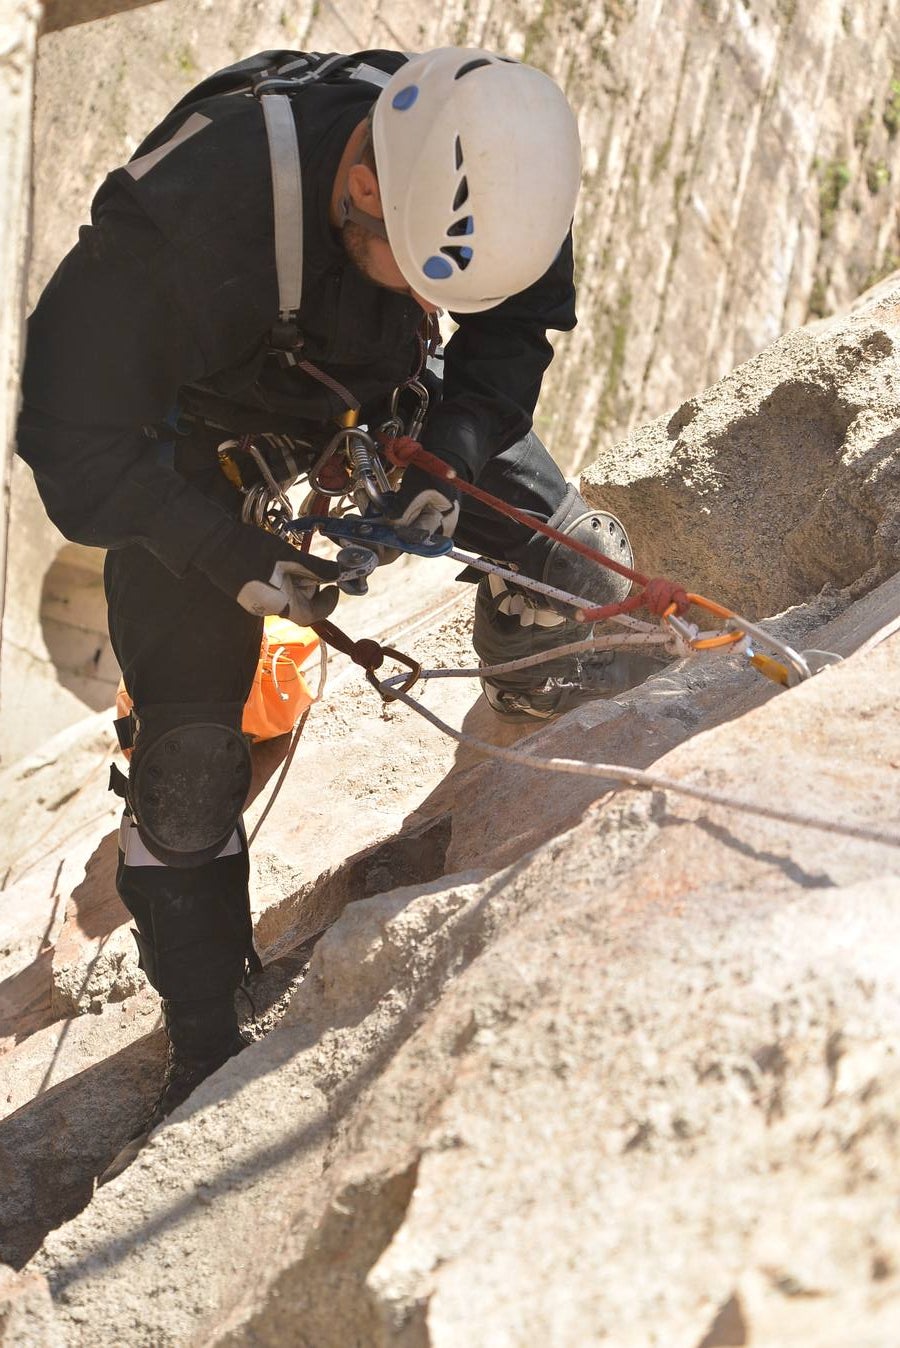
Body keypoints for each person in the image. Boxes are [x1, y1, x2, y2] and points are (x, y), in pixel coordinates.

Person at [17, 46, 648, 1138]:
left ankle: (530, 669)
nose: (451, 295)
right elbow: (70, 445)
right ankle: (209, 1042)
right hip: (189, 452)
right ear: (363, 188)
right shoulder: (188, 218)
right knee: (189, 775)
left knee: (575, 571)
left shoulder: (488, 172)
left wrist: (450, 443)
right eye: (425, 277)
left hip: (382, 392)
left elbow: (509, 328)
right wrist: (220, 554)